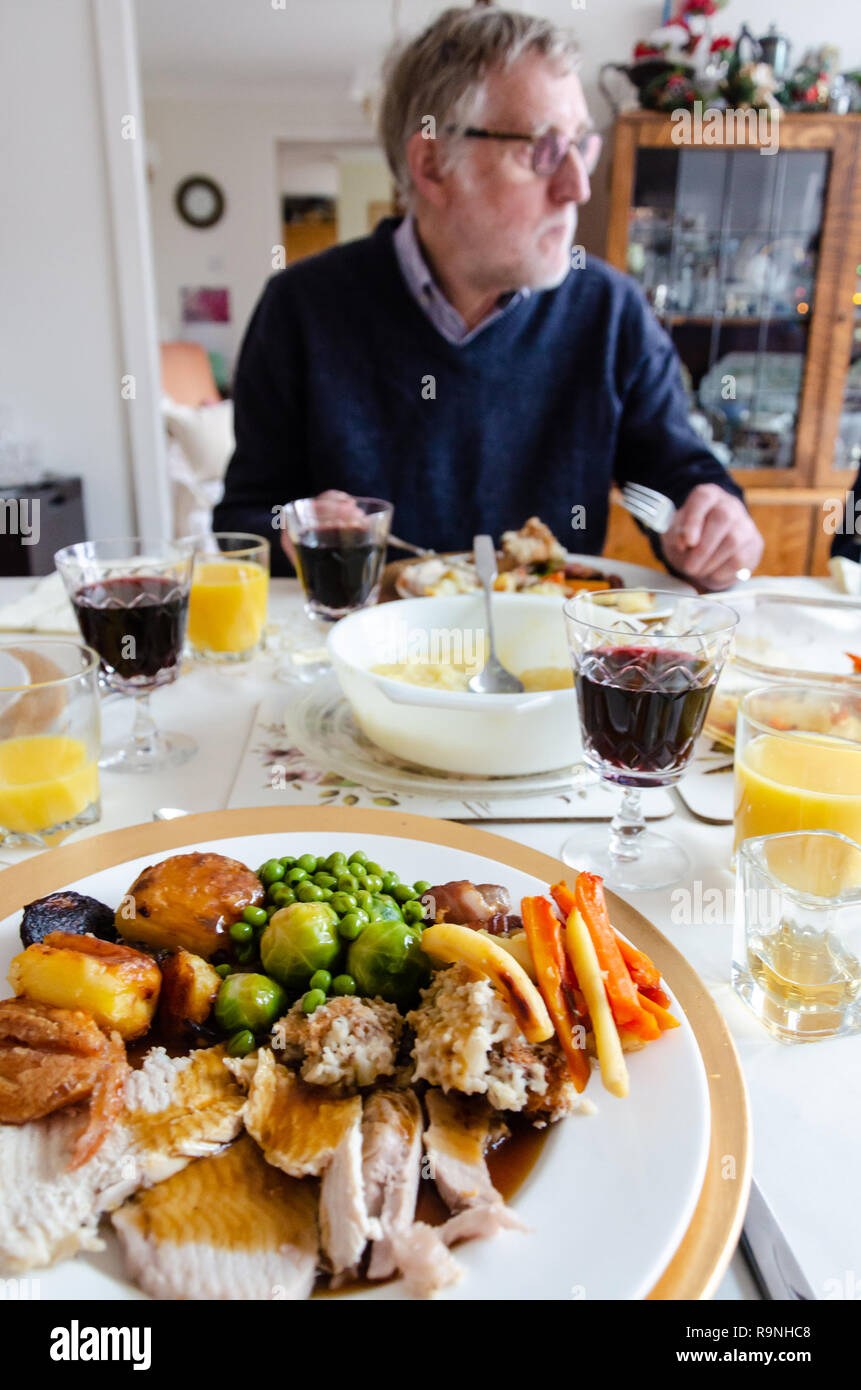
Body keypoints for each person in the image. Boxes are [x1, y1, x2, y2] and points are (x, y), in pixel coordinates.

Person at [213, 5, 763, 589]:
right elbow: (245, 520)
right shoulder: (301, 308)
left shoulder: (611, 313)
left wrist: (717, 521)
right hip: (366, 663)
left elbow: (676, 476)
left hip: (547, 662)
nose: (577, 186)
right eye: (543, 150)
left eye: (582, 146)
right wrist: (296, 531)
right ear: (432, 163)